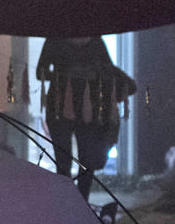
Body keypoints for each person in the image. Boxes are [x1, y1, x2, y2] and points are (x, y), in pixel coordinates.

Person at [35, 35, 136, 197]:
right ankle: (69, 201)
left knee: (86, 160)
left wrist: (91, 73)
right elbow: (40, 72)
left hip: (86, 107)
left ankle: (80, 202)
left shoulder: (94, 41)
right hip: (61, 106)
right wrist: (68, 74)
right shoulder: (56, 40)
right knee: (64, 161)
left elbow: (108, 69)